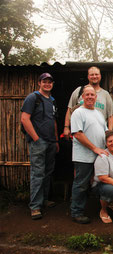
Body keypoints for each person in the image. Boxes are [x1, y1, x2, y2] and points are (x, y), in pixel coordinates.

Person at [21, 73, 59, 220]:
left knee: (47, 172)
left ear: (52, 84)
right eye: (45, 82)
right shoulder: (33, 98)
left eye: (50, 82)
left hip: (50, 142)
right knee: (37, 173)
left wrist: (55, 141)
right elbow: (25, 119)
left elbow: (53, 121)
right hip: (38, 142)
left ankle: (43, 200)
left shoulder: (53, 101)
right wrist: (36, 139)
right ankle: (35, 206)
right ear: (39, 83)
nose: (47, 84)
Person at [70, 85, 108, 224]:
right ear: (82, 97)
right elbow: (78, 134)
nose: (90, 97)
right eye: (87, 95)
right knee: (81, 184)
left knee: (94, 183)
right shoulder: (78, 113)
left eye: (92, 95)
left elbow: (106, 132)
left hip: (98, 155)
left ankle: (91, 208)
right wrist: (94, 148)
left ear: (96, 97)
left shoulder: (98, 113)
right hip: (84, 156)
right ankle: (76, 212)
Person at [63, 66, 113, 138]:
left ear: (100, 76)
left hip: (100, 133)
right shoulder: (79, 91)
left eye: (96, 74)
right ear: (88, 76)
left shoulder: (105, 94)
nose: (94, 76)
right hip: (81, 132)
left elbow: (110, 116)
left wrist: (109, 133)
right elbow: (70, 110)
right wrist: (66, 127)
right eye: (92, 74)